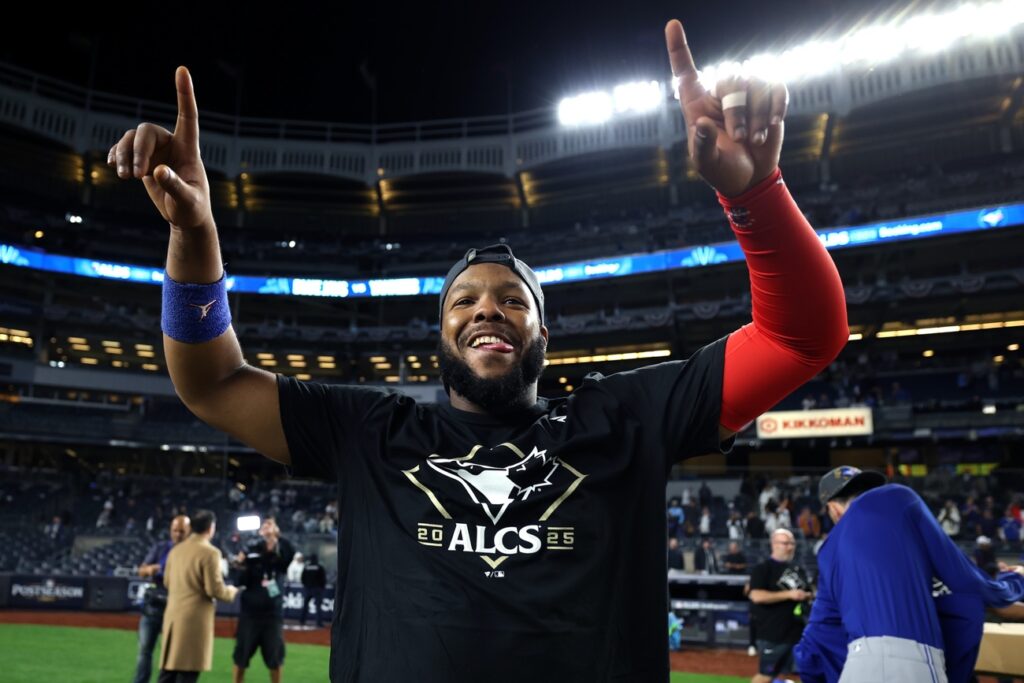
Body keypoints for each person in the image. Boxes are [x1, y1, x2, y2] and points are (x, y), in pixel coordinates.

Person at [111, 19, 849, 681]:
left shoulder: (625, 420)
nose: (487, 308)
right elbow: (212, 383)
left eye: (512, 300)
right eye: (463, 300)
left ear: (543, 337)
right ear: (441, 334)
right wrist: (194, 236)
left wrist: (757, 195)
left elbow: (803, 336)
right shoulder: (371, 431)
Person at [793, 467, 1024, 683]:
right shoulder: (896, 497)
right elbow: (966, 581)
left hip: (857, 665)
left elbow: (814, 640)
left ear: (832, 509)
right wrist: (1015, 582)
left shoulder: (828, 552)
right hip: (910, 661)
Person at [159, 510, 239, 683]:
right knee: (187, 673)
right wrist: (231, 591)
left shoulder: (176, 550)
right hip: (193, 621)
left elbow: (167, 582)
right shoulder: (210, 553)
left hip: (172, 617)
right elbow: (214, 589)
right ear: (210, 528)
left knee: (168, 673)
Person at [232, 516, 294, 683]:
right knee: (241, 658)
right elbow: (239, 580)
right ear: (259, 532)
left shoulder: (281, 551)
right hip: (249, 615)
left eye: (270, 525)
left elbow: (289, 555)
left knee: (275, 660)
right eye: (264, 526)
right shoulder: (251, 549)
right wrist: (241, 564)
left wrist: (276, 539)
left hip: (272, 616)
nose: (267, 528)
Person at [747, 528, 812, 683]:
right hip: (773, 633)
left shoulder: (798, 570)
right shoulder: (763, 569)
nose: (790, 547)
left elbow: (809, 592)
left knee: (798, 675)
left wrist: (806, 595)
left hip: (797, 632)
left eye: (792, 544)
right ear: (774, 544)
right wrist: (788, 595)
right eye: (786, 543)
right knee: (766, 675)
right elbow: (756, 596)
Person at [132, 514, 190, 683]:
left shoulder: (191, 553)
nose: (177, 534)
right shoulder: (160, 548)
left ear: (189, 531)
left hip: (177, 609)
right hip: (153, 607)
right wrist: (152, 569)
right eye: (175, 530)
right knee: (144, 651)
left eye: (182, 531)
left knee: (172, 653)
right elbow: (141, 571)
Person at [300, 553, 328, 628]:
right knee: (318, 606)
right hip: (317, 589)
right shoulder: (319, 567)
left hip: (308, 589)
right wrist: (322, 587)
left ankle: (302, 620)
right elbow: (323, 578)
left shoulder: (306, 567)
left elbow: (302, 578)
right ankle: (319, 622)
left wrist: (306, 586)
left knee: (305, 605)